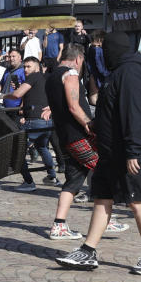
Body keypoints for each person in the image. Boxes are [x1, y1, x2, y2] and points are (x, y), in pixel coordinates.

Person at [56, 32, 141, 274]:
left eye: (104, 50)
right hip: (110, 150)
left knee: (137, 201)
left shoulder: (130, 72)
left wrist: (133, 151)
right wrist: (97, 124)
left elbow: (134, 113)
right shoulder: (119, 72)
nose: (101, 54)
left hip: (130, 151)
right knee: (103, 197)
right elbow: (113, 108)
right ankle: (89, 250)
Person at [45, 43, 94, 240]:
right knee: (103, 170)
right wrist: (89, 124)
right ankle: (106, 219)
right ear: (78, 59)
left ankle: (59, 225)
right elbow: (74, 107)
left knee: (74, 179)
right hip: (78, 135)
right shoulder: (71, 74)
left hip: (63, 135)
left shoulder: (52, 76)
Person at [6, 56, 59, 190]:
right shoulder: (44, 78)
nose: (25, 69)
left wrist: (4, 95)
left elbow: (17, 95)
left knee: (17, 150)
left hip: (35, 121)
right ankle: (52, 177)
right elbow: (33, 96)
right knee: (42, 147)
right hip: (47, 122)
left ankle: (29, 182)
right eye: (24, 67)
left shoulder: (33, 76)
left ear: (37, 67)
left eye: (28, 66)